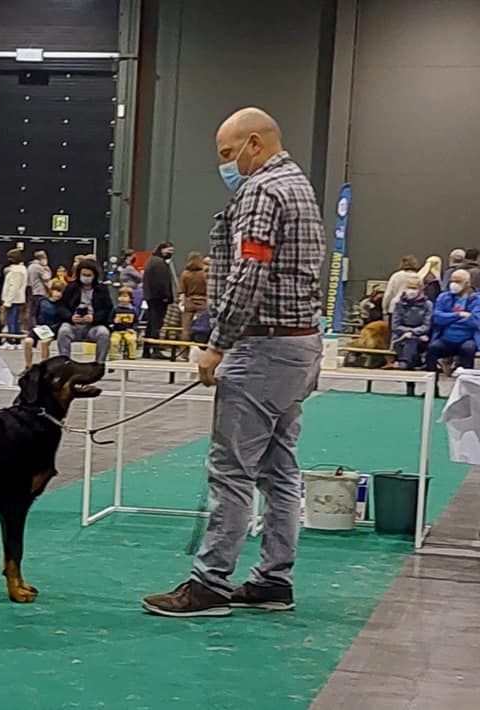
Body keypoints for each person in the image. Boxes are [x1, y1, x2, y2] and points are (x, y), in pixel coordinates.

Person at [142, 107, 323, 618]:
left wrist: (218, 342)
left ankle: (209, 584)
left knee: (231, 470)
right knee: (280, 468)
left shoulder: (262, 191)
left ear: (256, 144)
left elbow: (250, 273)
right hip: (299, 346)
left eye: (229, 154)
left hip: (262, 348)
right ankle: (273, 580)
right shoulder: (300, 186)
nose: (227, 165)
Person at [56, 259, 112, 363]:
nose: (86, 277)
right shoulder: (71, 287)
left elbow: (107, 309)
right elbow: (61, 306)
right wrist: (70, 317)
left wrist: (93, 318)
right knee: (63, 332)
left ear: (94, 275)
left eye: (89, 275)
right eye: (83, 274)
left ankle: (99, 364)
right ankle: (64, 364)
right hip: (73, 325)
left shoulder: (102, 290)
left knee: (103, 333)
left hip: (93, 326)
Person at [426, 268, 480, 375]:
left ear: (467, 283)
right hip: (446, 339)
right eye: (452, 281)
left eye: (458, 282)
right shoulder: (443, 297)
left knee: (468, 349)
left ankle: (465, 386)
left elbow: (475, 320)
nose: (453, 284)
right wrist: (459, 315)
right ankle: (432, 386)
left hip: (467, 339)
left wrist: (448, 319)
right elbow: (437, 318)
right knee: (432, 348)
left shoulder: (476, 299)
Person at [142, 242, 177, 357]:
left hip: (151, 297)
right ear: (162, 250)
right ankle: (155, 349)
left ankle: (146, 350)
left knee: (151, 324)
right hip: (159, 298)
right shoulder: (159, 263)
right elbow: (162, 283)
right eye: (168, 251)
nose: (170, 253)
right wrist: (166, 296)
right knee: (156, 324)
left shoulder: (151, 261)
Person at [391, 276, 432, 370]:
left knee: (412, 340)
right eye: (409, 287)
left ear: (421, 289)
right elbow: (395, 326)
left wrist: (412, 333)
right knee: (408, 342)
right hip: (400, 337)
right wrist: (406, 333)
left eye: (414, 288)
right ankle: (411, 363)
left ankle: (404, 363)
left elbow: (426, 326)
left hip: (420, 337)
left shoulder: (428, 304)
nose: (411, 290)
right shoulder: (399, 304)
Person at [24, 281, 66, 367]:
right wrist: (34, 325)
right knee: (27, 342)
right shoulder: (42, 301)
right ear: (51, 290)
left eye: (61, 292)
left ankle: (43, 367)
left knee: (44, 342)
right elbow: (33, 314)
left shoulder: (62, 305)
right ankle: (28, 366)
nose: (58, 294)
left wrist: (51, 329)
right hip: (38, 328)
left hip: (52, 329)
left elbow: (62, 320)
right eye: (56, 291)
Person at [1, 248, 28, 347]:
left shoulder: (16, 271)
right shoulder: (22, 269)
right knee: (16, 320)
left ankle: (11, 340)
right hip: (18, 298)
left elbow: (14, 287)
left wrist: (7, 301)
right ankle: (17, 340)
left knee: (11, 320)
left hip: (13, 299)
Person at [180, 252, 208, 341]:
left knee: (185, 330)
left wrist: (182, 304)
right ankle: (199, 351)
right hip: (203, 302)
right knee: (202, 328)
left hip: (189, 302)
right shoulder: (204, 274)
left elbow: (182, 291)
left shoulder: (185, 274)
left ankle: (184, 353)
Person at [382, 256, 419, 322]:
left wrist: (384, 309)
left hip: (395, 308)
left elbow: (388, 294)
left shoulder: (395, 276)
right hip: (412, 310)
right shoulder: (418, 277)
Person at [110, 287, 139, 359]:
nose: (122, 298)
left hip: (128, 331)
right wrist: (114, 322)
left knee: (131, 340)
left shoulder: (133, 310)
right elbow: (109, 320)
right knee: (114, 341)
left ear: (130, 298)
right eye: (121, 296)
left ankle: (132, 356)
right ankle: (113, 357)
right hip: (117, 331)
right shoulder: (115, 309)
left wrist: (133, 329)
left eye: (125, 296)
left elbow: (136, 322)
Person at [26, 249, 52, 330]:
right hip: (39, 292)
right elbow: (46, 277)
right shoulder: (39, 267)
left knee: (32, 311)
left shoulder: (30, 266)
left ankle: (31, 327)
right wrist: (48, 270)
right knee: (37, 312)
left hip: (31, 290)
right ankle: (36, 329)